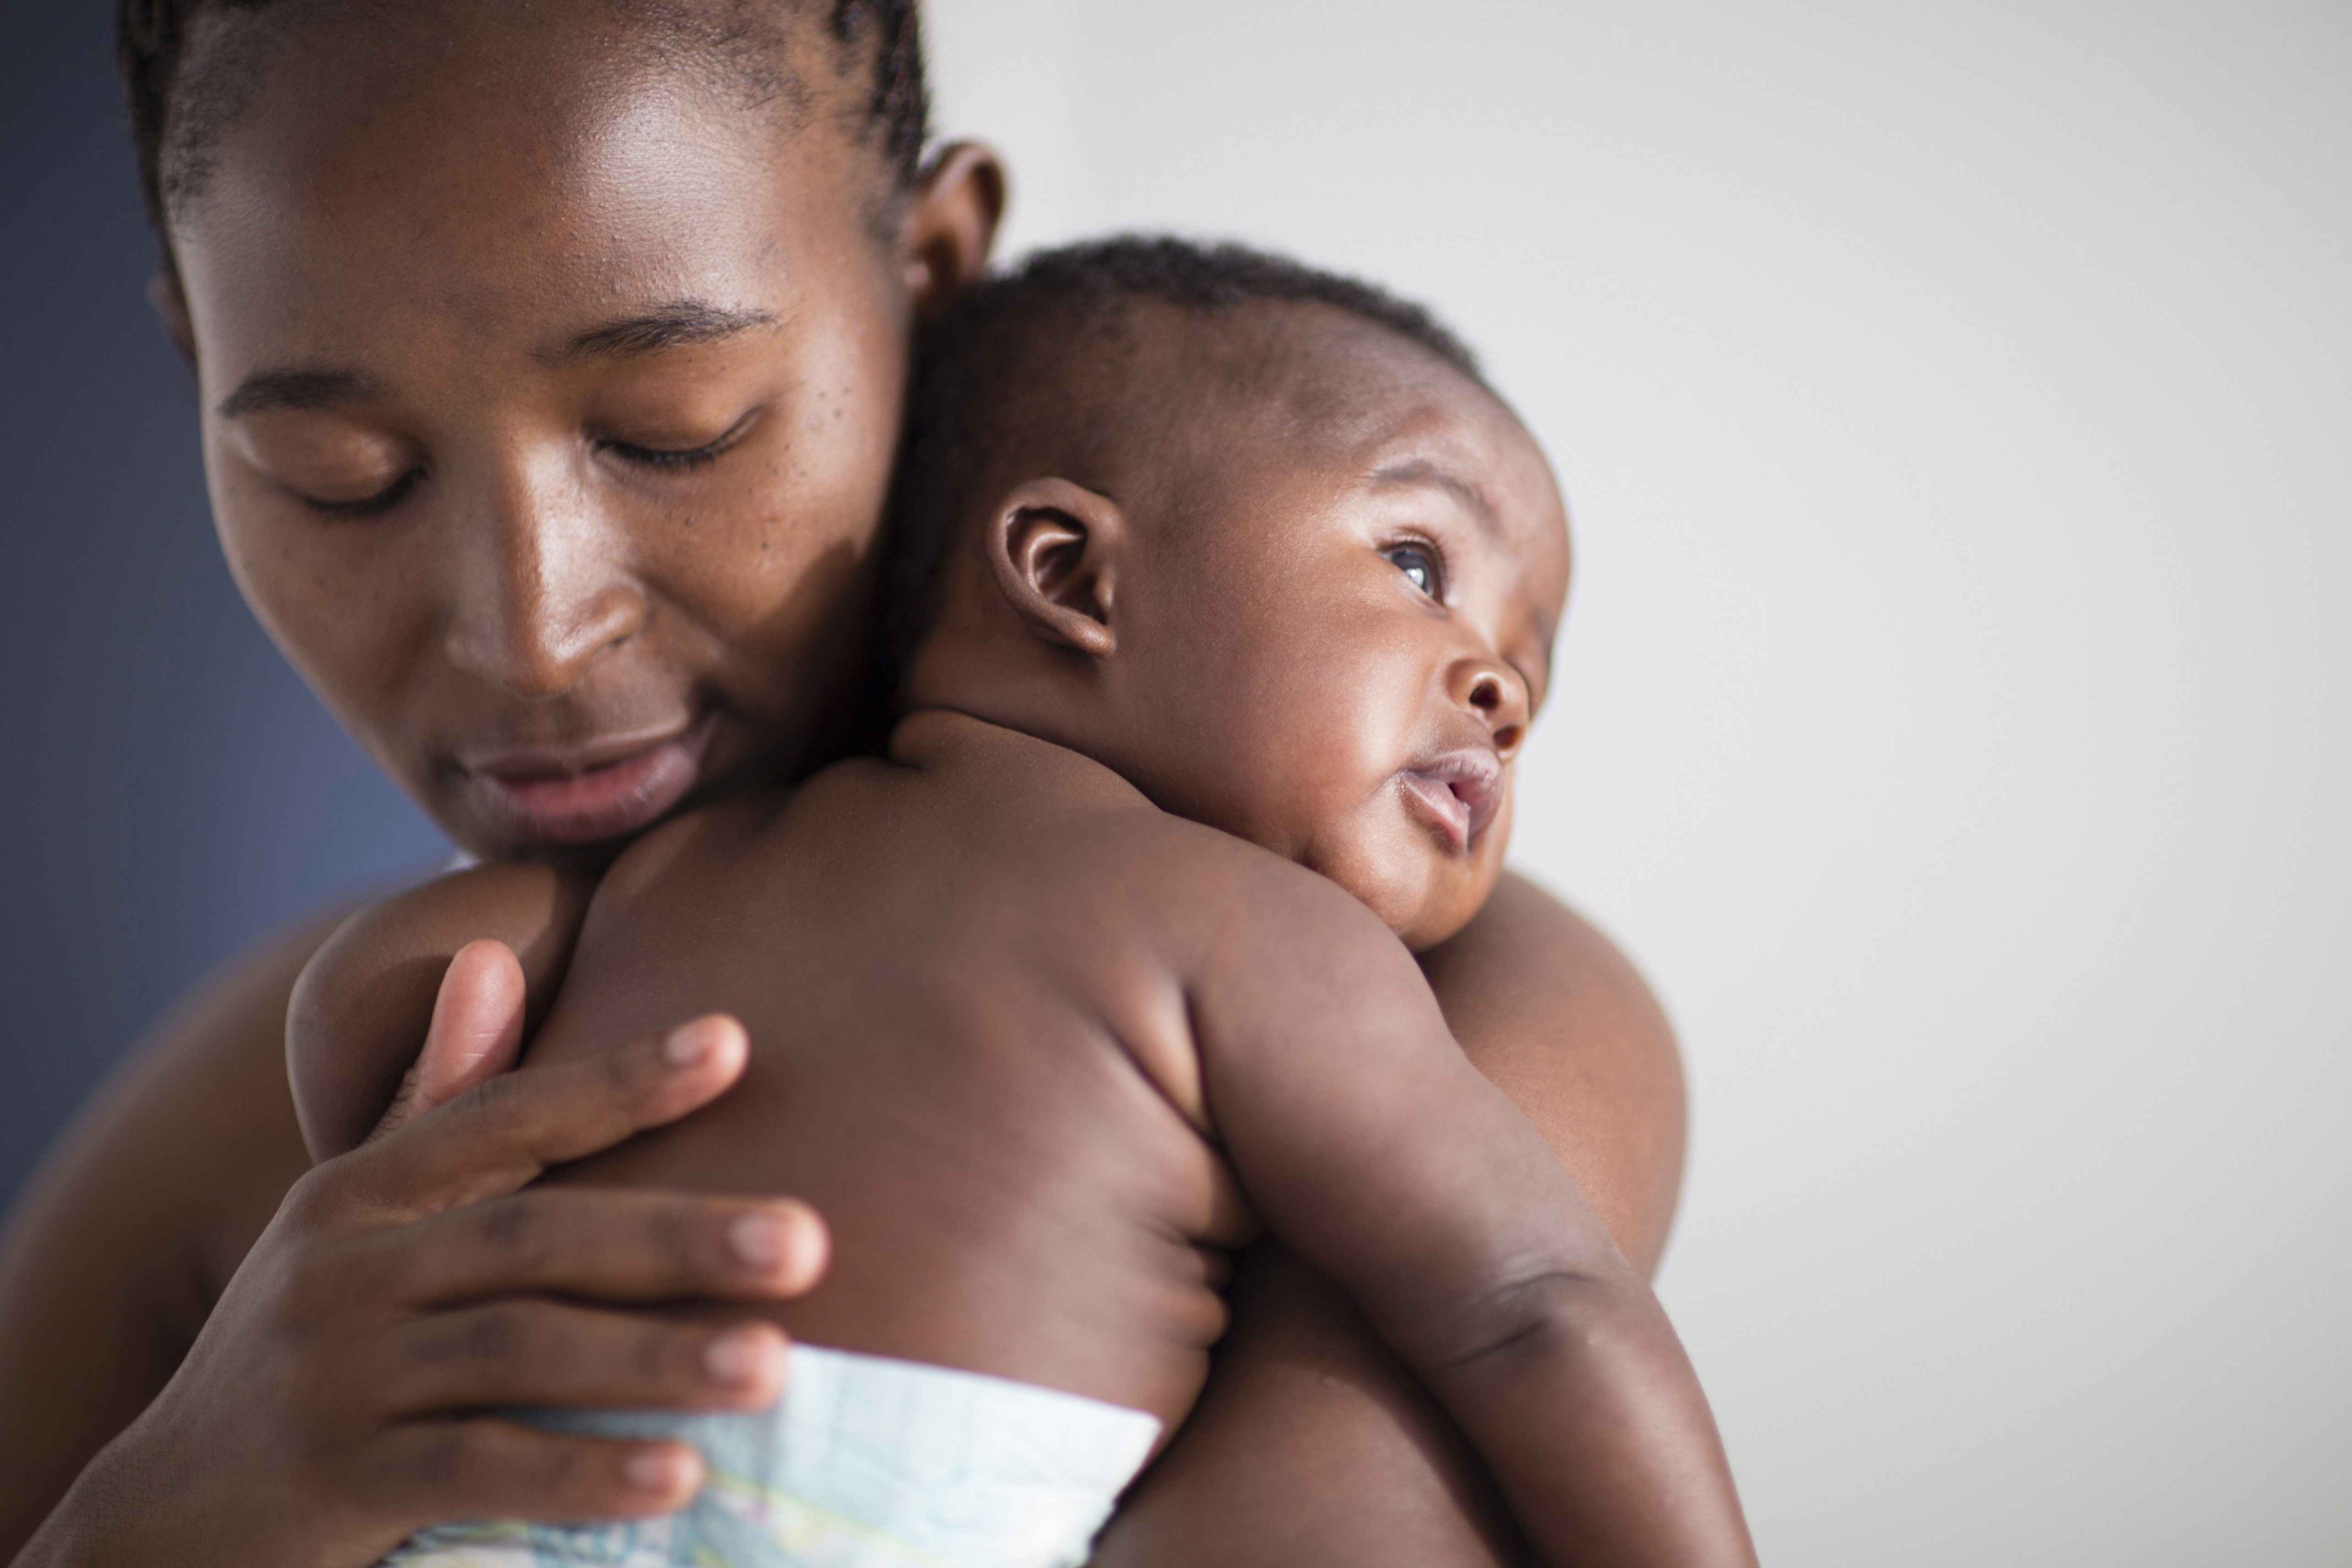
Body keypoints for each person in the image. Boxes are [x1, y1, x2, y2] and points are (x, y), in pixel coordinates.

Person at [0, 4, 1690, 1563]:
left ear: (933, 271)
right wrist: (149, 1517)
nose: (529, 632)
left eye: (677, 426)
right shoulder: (251, 1094)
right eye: (338, 475)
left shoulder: (1451, 1004)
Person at [288, 239, 1755, 1568]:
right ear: (1071, 575)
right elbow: (1534, 1306)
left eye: (1528, 674)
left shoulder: (683, 868)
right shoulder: (1253, 934)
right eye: (1419, 563)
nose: (1499, 693)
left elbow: (376, 991)